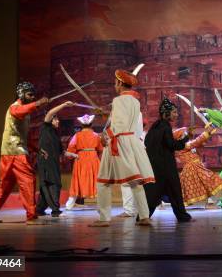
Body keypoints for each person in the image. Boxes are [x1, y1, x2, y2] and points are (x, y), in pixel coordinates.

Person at [90, 69, 154, 227]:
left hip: (118, 142)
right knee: (134, 181)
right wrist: (106, 114)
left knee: (103, 181)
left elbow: (119, 125)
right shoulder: (135, 101)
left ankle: (104, 218)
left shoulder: (118, 101)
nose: (114, 85)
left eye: (115, 82)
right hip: (131, 141)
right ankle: (144, 216)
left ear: (119, 83)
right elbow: (123, 119)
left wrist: (104, 136)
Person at [0, 81, 49, 224]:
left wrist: (37, 149)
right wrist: (38, 103)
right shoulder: (15, 107)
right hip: (15, 151)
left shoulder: (26, 112)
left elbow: (24, 136)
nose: (32, 97)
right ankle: (31, 216)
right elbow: (18, 112)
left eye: (33, 96)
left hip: (10, 152)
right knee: (28, 180)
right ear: (21, 94)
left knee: (4, 187)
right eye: (30, 95)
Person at [143, 98, 193, 222]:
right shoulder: (165, 126)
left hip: (155, 165)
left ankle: (143, 216)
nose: (176, 114)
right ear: (166, 113)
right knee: (174, 190)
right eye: (174, 112)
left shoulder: (155, 125)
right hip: (166, 167)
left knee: (155, 193)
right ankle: (182, 216)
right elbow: (172, 145)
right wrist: (186, 138)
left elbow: (147, 141)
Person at [36, 101, 76, 217]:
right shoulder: (45, 127)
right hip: (45, 161)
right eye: (56, 119)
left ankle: (39, 208)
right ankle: (55, 209)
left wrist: (73, 155)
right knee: (52, 183)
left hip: (53, 163)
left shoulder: (54, 134)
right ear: (50, 121)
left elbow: (62, 152)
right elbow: (49, 113)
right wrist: (63, 105)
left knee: (49, 184)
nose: (58, 121)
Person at [176, 125, 222, 206]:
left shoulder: (186, 144)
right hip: (192, 168)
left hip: (196, 166)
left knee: (204, 182)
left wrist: (208, 134)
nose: (185, 135)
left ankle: (211, 198)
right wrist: (206, 133)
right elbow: (196, 142)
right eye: (183, 135)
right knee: (208, 179)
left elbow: (197, 143)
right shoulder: (181, 146)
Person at [65, 114, 103, 210]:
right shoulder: (96, 136)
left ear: (82, 125)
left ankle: (69, 205)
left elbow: (70, 149)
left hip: (81, 159)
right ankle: (102, 205)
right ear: (92, 124)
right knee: (96, 180)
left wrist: (72, 156)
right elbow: (100, 149)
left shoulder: (77, 136)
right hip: (93, 158)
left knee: (77, 180)